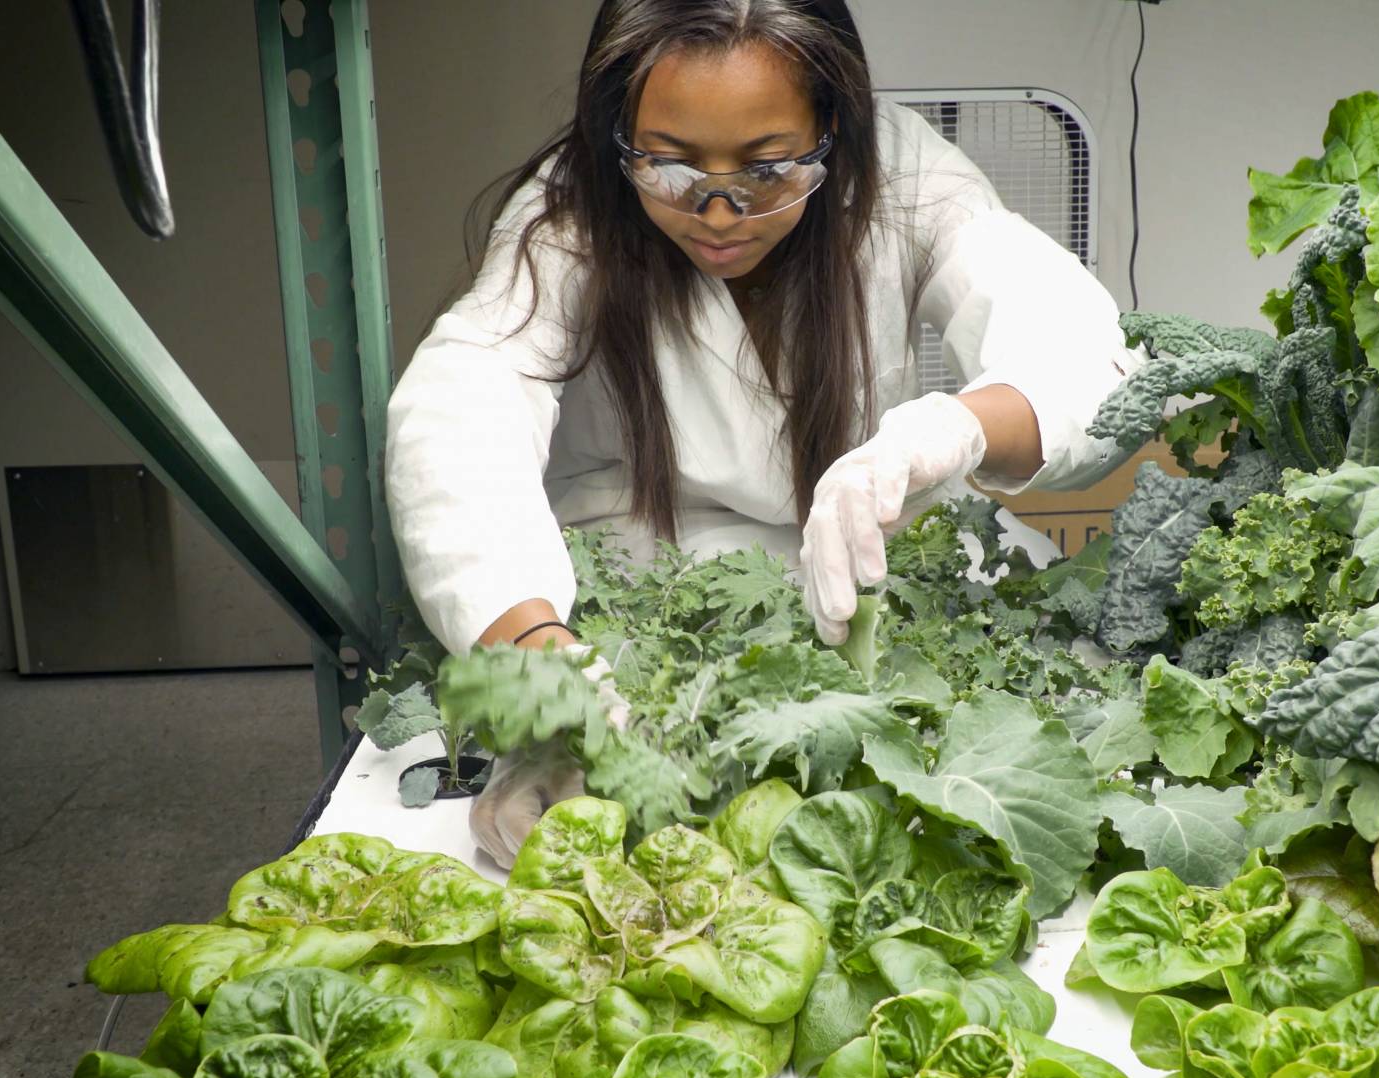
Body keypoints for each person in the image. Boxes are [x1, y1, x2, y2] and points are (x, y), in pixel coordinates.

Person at [384, 0, 1136, 863]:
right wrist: (540, 656)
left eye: (767, 170)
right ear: (615, 132)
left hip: (860, 586)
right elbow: (458, 414)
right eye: (669, 168)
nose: (717, 212)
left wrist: (952, 429)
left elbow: (1069, 340)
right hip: (639, 608)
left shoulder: (903, 178)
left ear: (835, 133)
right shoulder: (570, 213)